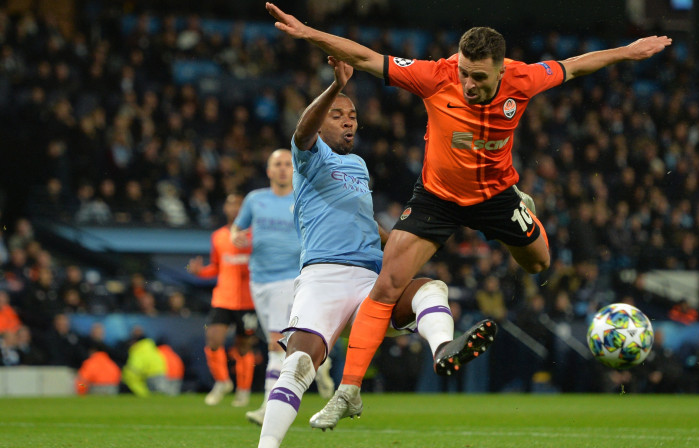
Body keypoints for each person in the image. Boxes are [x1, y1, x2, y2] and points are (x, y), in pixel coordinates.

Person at [265, 1, 671, 418]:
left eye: (479, 77)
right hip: (437, 198)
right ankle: (348, 392)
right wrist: (308, 32)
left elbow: (576, 65)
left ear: (501, 70)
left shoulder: (524, 78)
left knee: (538, 264)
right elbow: (367, 56)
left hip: (496, 196)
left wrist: (628, 50)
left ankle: (523, 207)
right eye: (464, 72)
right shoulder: (435, 75)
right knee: (387, 284)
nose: (469, 83)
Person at [256, 57, 494, 447]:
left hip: (372, 279)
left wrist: (409, 239)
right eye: (337, 115)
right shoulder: (309, 158)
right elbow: (301, 131)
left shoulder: (360, 166)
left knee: (431, 289)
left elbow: (369, 225)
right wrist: (334, 86)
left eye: (352, 115)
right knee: (299, 365)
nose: (349, 121)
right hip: (324, 276)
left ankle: (443, 349)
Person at [230, 149, 333, 426]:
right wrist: (237, 236)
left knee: (275, 343)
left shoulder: (303, 198)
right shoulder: (255, 199)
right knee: (279, 342)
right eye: (277, 164)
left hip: (288, 278)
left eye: (288, 163)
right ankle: (318, 362)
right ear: (269, 170)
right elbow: (236, 229)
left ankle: (268, 406)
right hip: (258, 279)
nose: (283, 168)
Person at [187, 193, 257, 407]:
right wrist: (200, 272)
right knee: (213, 340)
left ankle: (243, 390)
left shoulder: (256, 234)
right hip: (223, 298)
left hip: (249, 300)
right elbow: (216, 267)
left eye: (238, 204)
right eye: (230, 204)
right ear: (225, 209)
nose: (234, 208)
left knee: (243, 348)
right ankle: (222, 381)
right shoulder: (218, 236)